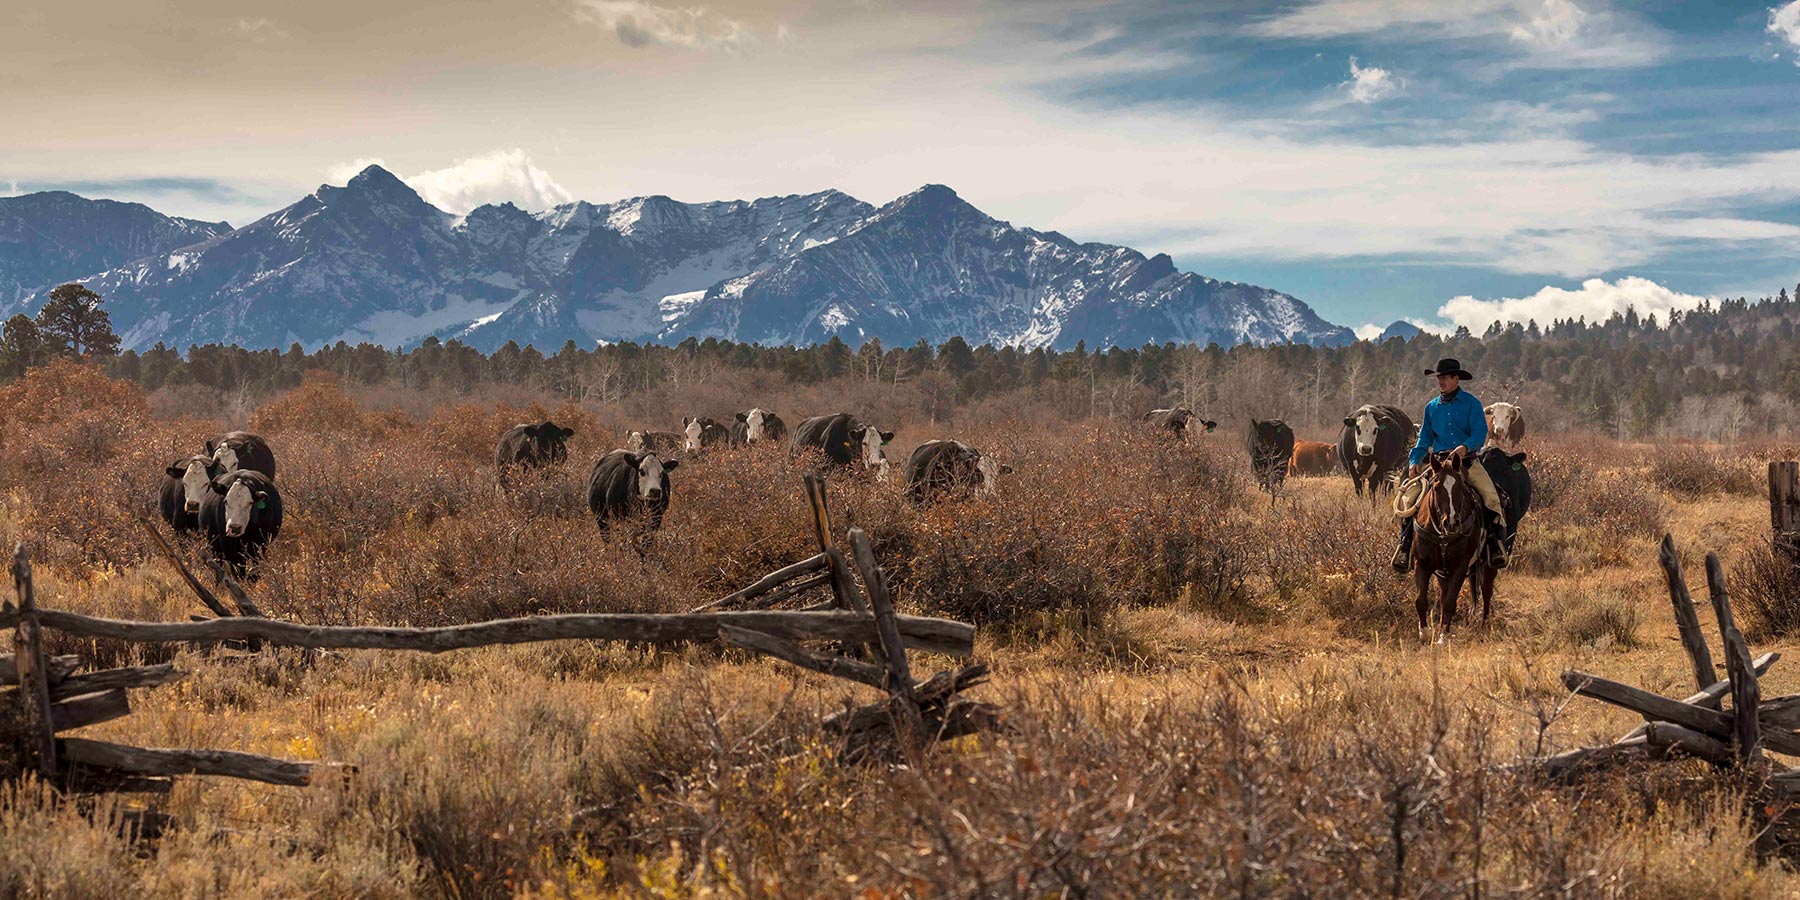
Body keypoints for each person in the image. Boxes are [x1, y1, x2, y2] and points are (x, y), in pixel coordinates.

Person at [1391, 357, 1509, 572]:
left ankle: (1495, 547)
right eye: (1439, 378)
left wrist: (1465, 447)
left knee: (1492, 498)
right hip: (1438, 464)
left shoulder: (1472, 404)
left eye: (1445, 377)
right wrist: (1414, 460)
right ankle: (1405, 547)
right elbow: (1424, 439)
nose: (1441, 382)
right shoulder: (1431, 407)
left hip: (1467, 462)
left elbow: (1480, 433)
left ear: (1456, 378)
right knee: (1409, 499)